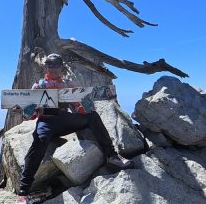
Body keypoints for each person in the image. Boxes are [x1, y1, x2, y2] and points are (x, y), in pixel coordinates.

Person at [16, 53, 132, 203]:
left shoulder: (68, 85)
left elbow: (80, 109)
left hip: (65, 120)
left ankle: (112, 156)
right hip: (46, 121)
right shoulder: (38, 86)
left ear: (61, 67)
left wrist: (85, 105)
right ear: (45, 67)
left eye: (56, 64)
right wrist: (28, 110)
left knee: (93, 116)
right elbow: (30, 116)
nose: (52, 68)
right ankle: (23, 192)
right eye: (49, 64)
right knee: (40, 140)